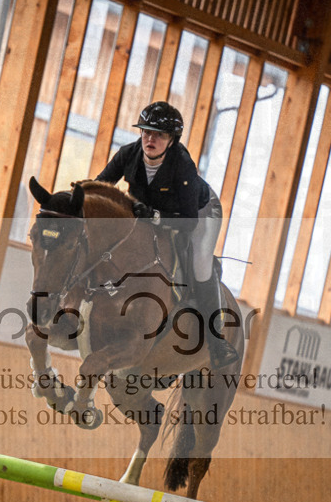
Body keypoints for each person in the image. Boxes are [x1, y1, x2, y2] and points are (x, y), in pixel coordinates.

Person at [95, 101, 239, 369]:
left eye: (159, 134)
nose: (150, 139)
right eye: (146, 132)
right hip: (153, 212)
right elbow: (100, 186)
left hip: (200, 212)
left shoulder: (182, 165)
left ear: (172, 141)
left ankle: (217, 340)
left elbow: (187, 221)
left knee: (200, 264)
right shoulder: (128, 154)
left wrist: (154, 217)